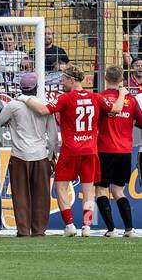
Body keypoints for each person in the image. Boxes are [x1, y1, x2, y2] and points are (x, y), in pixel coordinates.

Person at [23, 64, 126, 237]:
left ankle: (70, 225)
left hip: (70, 151)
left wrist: (24, 99)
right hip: (90, 151)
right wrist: (122, 94)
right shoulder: (95, 97)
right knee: (88, 191)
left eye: (63, 80)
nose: (62, 83)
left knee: (60, 187)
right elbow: (116, 109)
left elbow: (42, 110)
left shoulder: (65, 98)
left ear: (71, 80)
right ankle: (86, 226)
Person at [0, 71, 57, 237]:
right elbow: (52, 135)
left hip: (19, 155)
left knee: (20, 195)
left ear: (20, 88)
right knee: (42, 196)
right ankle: (39, 230)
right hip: (40, 154)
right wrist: (52, 156)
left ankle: (23, 230)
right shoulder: (45, 105)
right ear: (36, 88)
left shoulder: (13, 105)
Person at [93, 65, 140, 238]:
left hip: (104, 150)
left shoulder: (99, 98)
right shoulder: (131, 100)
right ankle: (129, 229)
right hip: (125, 151)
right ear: (122, 79)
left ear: (105, 78)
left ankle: (111, 230)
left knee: (100, 190)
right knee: (119, 191)